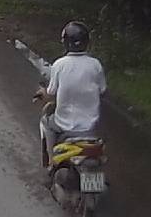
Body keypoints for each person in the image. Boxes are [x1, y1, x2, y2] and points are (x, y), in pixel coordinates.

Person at [36, 21, 106, 166]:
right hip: (90, 127)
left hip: (64, 124)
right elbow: (102, 90)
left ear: (65, 42)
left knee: (46, 122)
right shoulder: (96, 64)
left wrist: (42, 93)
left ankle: (51, 161)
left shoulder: (59, 64)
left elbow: (51, 93)